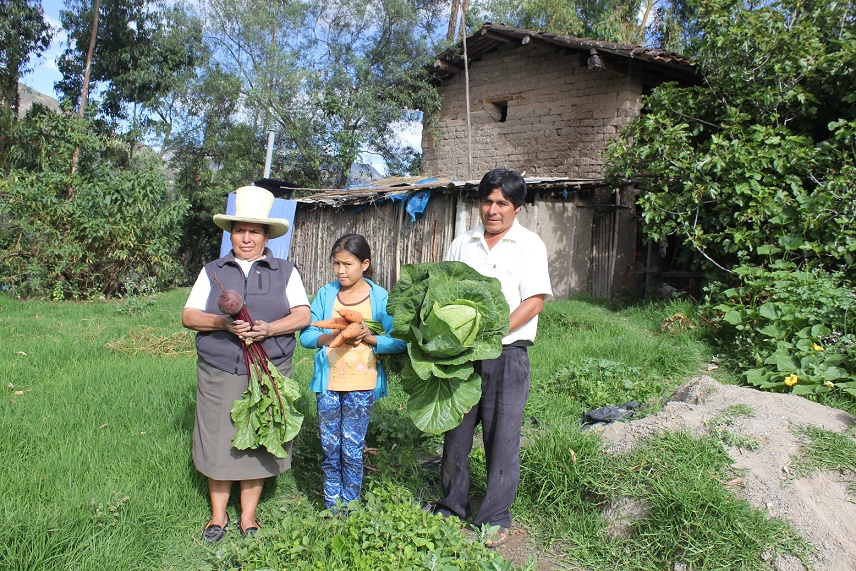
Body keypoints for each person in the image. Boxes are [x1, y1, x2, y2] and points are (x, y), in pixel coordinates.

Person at [426, 169, 552, 548]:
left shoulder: (529, 245)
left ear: (517, 207)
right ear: (478, 204)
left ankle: (495, 516)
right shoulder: (462, 242)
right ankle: (452, 506)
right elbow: (440, 291)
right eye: (487, 202)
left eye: (502, 203)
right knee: (457, 432)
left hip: (507, 353)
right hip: (461, 355)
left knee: (504, 437)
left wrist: (492, 332)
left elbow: (534, 302)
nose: (493, 210)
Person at [182, 185, 311, 542]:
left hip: (268, 370)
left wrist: (269, 328)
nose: (247, 237)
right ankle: (218, 517)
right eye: (240, 230)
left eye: (254, 231)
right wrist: (223, 323)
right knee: (218, 438)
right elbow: (189, 315)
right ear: (231, 234)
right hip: (220, 369)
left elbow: (302, 315)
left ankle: (249, 517)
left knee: (258, 439)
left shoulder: (285, 271)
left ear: (266, 235)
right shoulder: (213, 270)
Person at [299, 234, 406, 511]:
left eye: (347, 264)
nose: (340, 270)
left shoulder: (380, 298)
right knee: (330, 447)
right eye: (336, 264)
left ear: (365, 264)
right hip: (329, 384)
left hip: (362, 383)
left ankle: (351, 505)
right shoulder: (326, 294)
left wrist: (370, 338)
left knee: (352, 447)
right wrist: (330, 338)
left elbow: (400, 340)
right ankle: (331, 505)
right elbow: (307, 335)